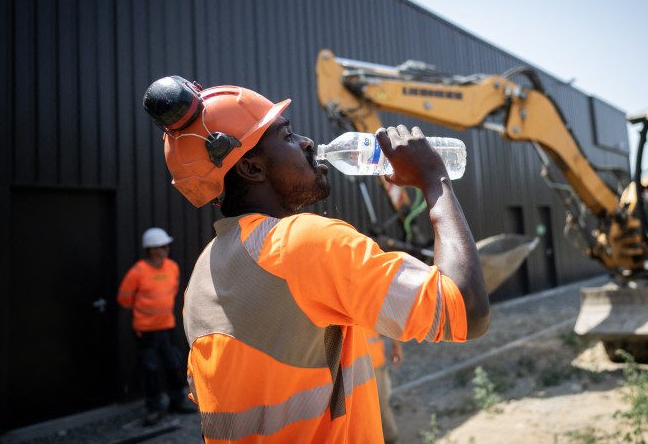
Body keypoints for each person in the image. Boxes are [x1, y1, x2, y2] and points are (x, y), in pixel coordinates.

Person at [141, 76, 490, 443]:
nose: (308, 142)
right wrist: (435, 179)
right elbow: (467, 309)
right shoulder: (301, 242)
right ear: (252, 169)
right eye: (287, 135)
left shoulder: (203, 274)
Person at [117, 227, 197, 425]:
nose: (166, 249)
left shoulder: (172, 267)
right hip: (145, 332)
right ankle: (154, 407)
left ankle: (177, 401)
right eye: (162, 246)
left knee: (174, 365)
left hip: (167, 327)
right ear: (151, 249)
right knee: (150, 369)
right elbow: (124, 300)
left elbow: (172, 291)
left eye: (166, 246)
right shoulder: (137, 272)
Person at [366, 331, 403, 444]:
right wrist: (396, 346)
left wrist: (396, 346)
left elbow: (387, 318)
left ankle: (392, 440)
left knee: (380, 408)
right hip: (365, 364)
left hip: (374, 364)